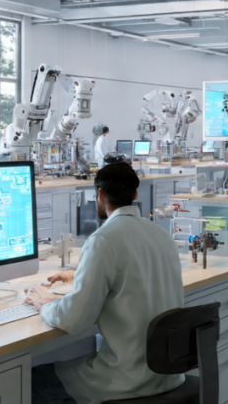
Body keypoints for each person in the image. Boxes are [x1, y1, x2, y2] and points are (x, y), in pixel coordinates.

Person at [24, 161, 185, 404]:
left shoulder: (103, 240)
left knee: (30, 380)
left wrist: (44, 304)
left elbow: (73, 319)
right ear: (135, 194)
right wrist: (80, 274)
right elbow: (134, 274)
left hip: (126, 381)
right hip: (168, 375)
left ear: (99, 194)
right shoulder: (161, 235)